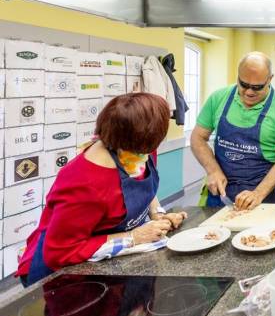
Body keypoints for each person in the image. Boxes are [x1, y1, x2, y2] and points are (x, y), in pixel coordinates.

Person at [17, 93, 187, 286]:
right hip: (62, 275)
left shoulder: (139, 149)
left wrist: (158, 215)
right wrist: (134, 237)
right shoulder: (85, 183)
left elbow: (144, 188)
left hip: (111, 265)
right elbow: (59, 252)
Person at [191, 52, 275, 210]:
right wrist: (212, 170)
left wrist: (258, 193)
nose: (249, 92)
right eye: (243, 84)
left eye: (257, 87)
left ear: (270, 79)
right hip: (220, 192)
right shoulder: (218, 98)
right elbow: (197, 138)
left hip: (261, 195)